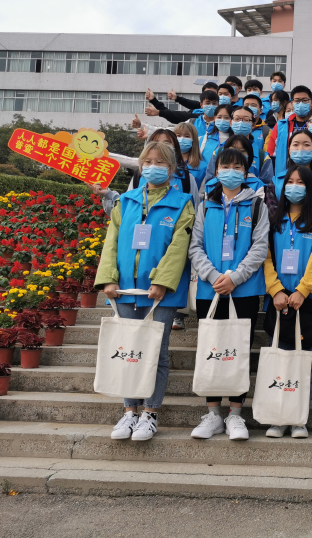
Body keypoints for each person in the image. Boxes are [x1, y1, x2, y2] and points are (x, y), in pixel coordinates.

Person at [95, 141, 195, 441]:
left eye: (160, 162)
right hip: (125, 288)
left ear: (172, 168)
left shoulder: (183, 203)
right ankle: (129, 412)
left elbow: (179, 246)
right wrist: (108, 278)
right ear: (140, 166)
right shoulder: (126, 201)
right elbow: (111, 242)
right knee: (128, 351)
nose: (153, 167)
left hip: (160, 293)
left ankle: (150, 413)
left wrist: (162, 281)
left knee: (156, 352)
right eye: (148, 162)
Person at [188, 148, 269, 441]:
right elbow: (195, 246)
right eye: (225, 166)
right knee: (210, 348)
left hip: (244, 290)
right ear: (217, 170)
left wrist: (235, 277)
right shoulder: (205, 204)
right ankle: (213, 414)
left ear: (246, 172)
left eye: (237, 166)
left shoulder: (257, 205)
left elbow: (260, 246)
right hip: (209, 289)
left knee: (238, 350)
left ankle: (235, 414)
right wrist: (213, 276)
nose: (231, 171)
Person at [262, 165, 312, 438]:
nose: (294, 186)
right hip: (279, 299)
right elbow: (266, 257)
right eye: (289, 181)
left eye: (300, 182)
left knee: (304, 362)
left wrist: (303, 290)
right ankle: (278, 418)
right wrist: (275, 289)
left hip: (308, 300)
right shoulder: (273, 220)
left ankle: (298, 419)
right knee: (280, 360)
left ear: (310, 188)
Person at [266, 129, 312, 225]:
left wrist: (306, 229)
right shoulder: (277, 181)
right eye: (295, 145)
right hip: (282, 232)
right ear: (289, 150)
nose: (300, 149)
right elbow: (272, 214)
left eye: (306, 145)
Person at [266, 85, 312, 177]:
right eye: (297, 101)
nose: (301, 104)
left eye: (305, 100)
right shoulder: (281, 125)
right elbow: (271, 153)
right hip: (285, 175)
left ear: (311, 103)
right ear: (292, 103)